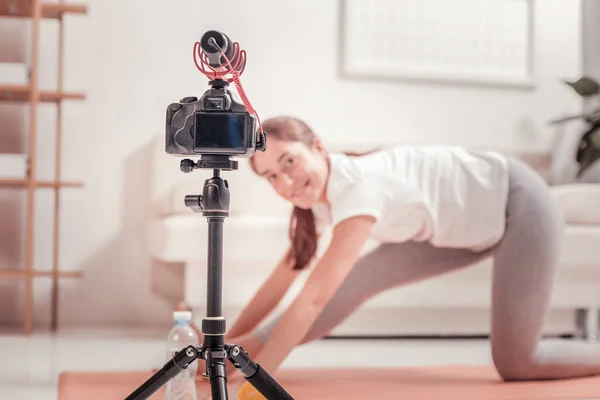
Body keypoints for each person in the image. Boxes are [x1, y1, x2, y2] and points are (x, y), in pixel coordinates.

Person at [184, 115, 600, 395]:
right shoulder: (320, 200)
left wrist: (252, 389)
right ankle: (238, 348)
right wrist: (220, 353)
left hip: (519, 204)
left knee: (518, 364)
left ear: (318, 147)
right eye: (271, 176)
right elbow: (283, 279)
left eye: (289, 161)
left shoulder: (358, 188)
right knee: (354, 283)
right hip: (455, 228)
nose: (286, 180)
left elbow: (313, 299)